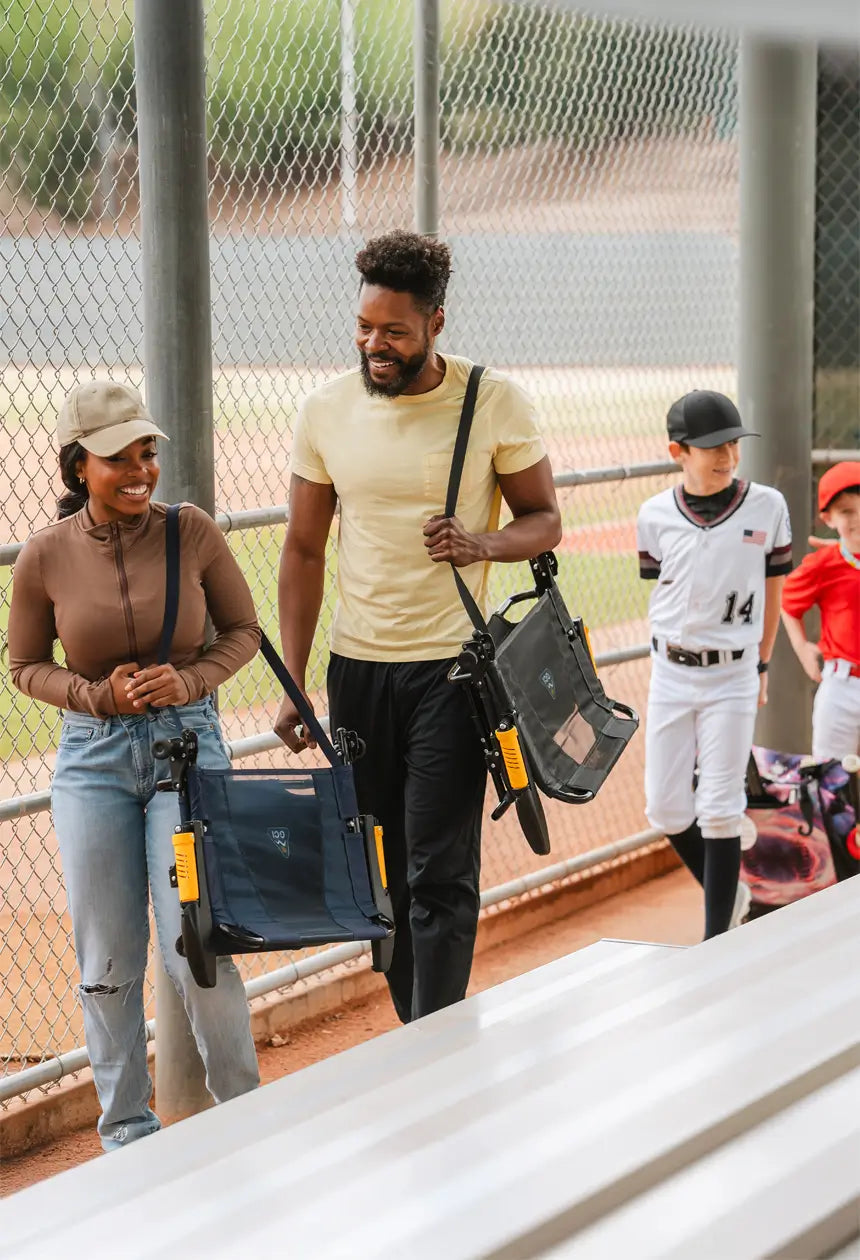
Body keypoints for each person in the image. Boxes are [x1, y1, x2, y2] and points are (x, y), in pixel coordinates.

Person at [274, 230, 561, 1023]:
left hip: (452, 672)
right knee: (383, 871)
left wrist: (484, 543)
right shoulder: (326, 410)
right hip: (357, 670)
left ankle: (434, 1045)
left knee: (439, 869)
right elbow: (302, 550)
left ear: (436, 321)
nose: (375, 345)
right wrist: (296, 683)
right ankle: (419, 1034)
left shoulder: (491, 400)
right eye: (365, 327)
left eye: (394, 332)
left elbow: (543, 520)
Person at [8, 379, 260, 1150]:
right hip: (92, 764)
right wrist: (94, 695)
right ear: (78, 464)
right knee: (108, 958)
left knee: (198, 945)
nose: (139, 468)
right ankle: (127, 1135)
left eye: (146, 451)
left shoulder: (194, 532)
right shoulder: (43, 556)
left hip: (188, 750)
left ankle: (250, 1123)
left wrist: (188, 681)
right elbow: (23, 666)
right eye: (118, 456)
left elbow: (243, 631)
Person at [636, 390, 792, 938]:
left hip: (733, 673)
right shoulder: (654, 515)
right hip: (672, 673)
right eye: (711, 448)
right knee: (666, 810)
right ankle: (734, 893)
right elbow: (662, 590)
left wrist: (763, 666)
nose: (726, 455)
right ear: (678, 450)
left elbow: (773, 590)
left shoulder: (767, 506)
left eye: (732, 444)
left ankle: (716, 939)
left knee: (721, 806)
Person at [780, 461, 860, 761]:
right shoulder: (823, 565)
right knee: (831, 780)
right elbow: (788, 604)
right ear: (828, 518)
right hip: (842, 686)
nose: (858, 516)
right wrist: (802, 648)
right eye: (847, 511)